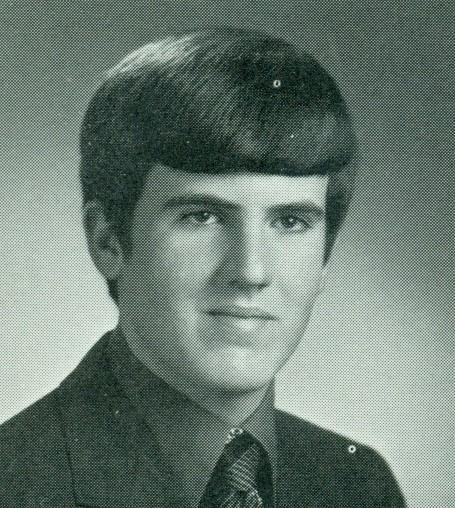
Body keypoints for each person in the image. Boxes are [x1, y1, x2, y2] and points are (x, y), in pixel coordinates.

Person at [0, 27, 406, 507]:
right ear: (108, 240)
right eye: (203, 217)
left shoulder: (359, 486)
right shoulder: (15, 484)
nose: (250, 272)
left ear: (324, 257)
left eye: (291, 221)